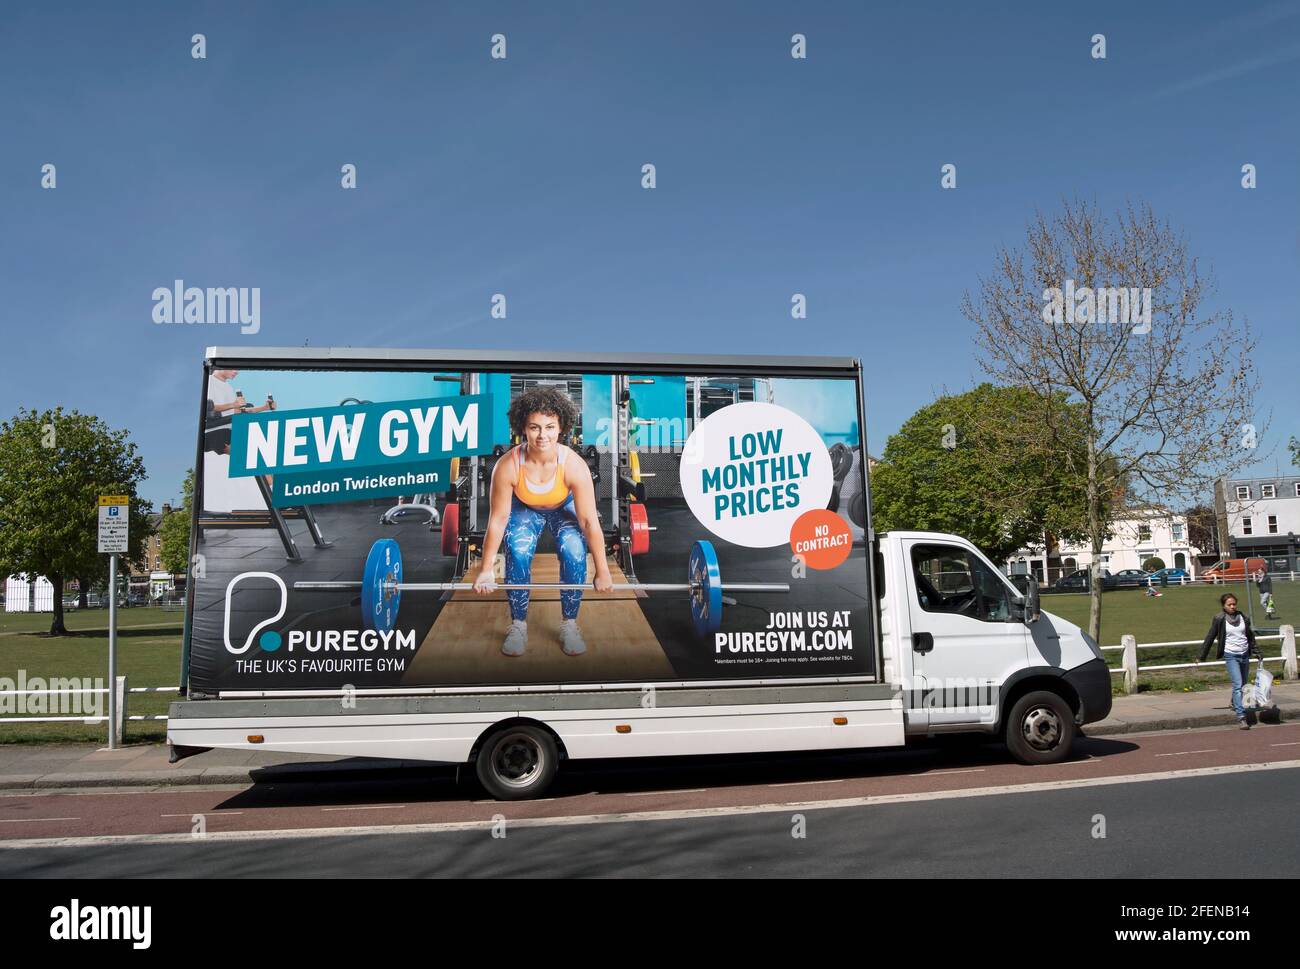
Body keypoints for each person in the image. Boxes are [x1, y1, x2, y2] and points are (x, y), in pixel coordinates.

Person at [473, 387, 613, 657]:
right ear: (522, 428)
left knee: (574, 550)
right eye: (534, 427)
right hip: (525, 507)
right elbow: (498, 519)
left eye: (550, 427)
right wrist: (487, 568)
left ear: (561, 427)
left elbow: (588, 521)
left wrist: (602, 570)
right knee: (517, 548)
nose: (542, 435)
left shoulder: (573, 465)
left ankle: (570, 624)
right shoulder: (507, 466)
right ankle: (518, 625)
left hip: (564, 506)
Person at [1197, 593, 1261, 729]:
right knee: (1238, 684)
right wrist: (1201, 656)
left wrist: (1257, 651)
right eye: (1229, 604)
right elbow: (1210, 636)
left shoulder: (1243, 617)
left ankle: (1234, 702)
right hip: (1231, 655)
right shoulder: (1219, 619)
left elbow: (1250, 636)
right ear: (1223, 606)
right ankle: (1241, 717)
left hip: (1244, 654)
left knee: (1242, 685)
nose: (1232, 607)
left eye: (1234, 604)